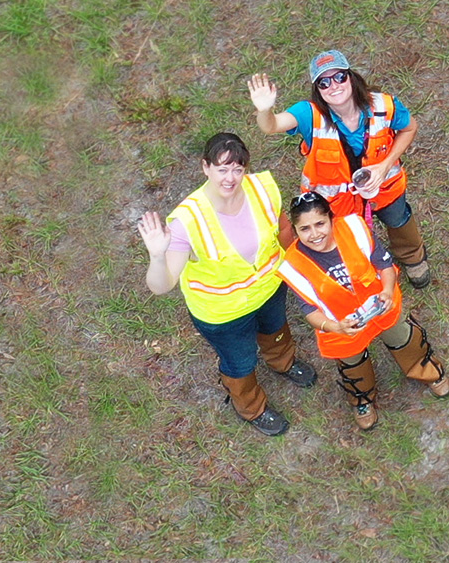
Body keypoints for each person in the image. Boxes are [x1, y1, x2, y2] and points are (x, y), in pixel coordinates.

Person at [136, 133, 317, 436]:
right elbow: (162, 284)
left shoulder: (261, 189)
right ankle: (251, 407)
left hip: (269, 289)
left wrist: (301, 265)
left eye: (237, 168)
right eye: (222, 169)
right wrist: (157, 255)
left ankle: (283, 362)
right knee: (240, 361)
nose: (231, 178)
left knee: (275, 332)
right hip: (223, 314)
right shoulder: (186, 221)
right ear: (205, 167)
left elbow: (283, 228)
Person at [248, 49, 432, 289]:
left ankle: (412, 257)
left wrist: (385, 165)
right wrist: (265, 110)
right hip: (338, 200)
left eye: (339, 77)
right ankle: (364, 269)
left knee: (398, 219)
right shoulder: (308, 114)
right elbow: (271, 126)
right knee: (348, 236)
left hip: (385, 186)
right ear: (318, 90)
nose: (333, 86)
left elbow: (409, 129)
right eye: (324, 82)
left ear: (351, 77)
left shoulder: (383, 104)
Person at [276, 192, 449, 431]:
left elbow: (384, 263)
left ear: (331, 219)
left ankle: (429, 371)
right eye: (304, 229)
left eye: (320, 224)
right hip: (341, 326)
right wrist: (335, 327)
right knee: (353, 366)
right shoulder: (294, 264)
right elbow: (309, 309)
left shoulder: (354, 228)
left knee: (405, 341)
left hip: (381, 307)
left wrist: (387, 291)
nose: (314, 234)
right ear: (295, 231)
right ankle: (362, 400)